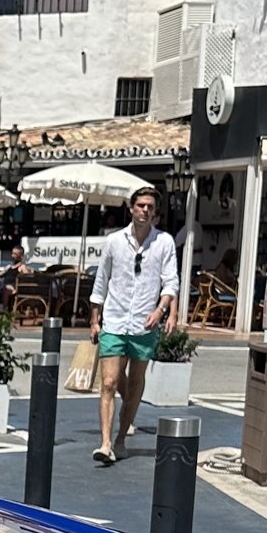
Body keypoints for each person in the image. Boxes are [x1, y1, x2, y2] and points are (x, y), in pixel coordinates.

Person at [88, 185, 179, 465]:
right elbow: (100, 282)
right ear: (131, 208)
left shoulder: (164, 242)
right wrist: (94, 319)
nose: (145, 211)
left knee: (136, 382)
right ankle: (105, 443)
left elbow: (170, 282)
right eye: (141, 205)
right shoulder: (114, 241)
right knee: (109, 382)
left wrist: (162, 310)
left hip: (144, 324)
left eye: (150, 207)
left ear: (156, 213)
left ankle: (120, 439)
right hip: (114, 320)